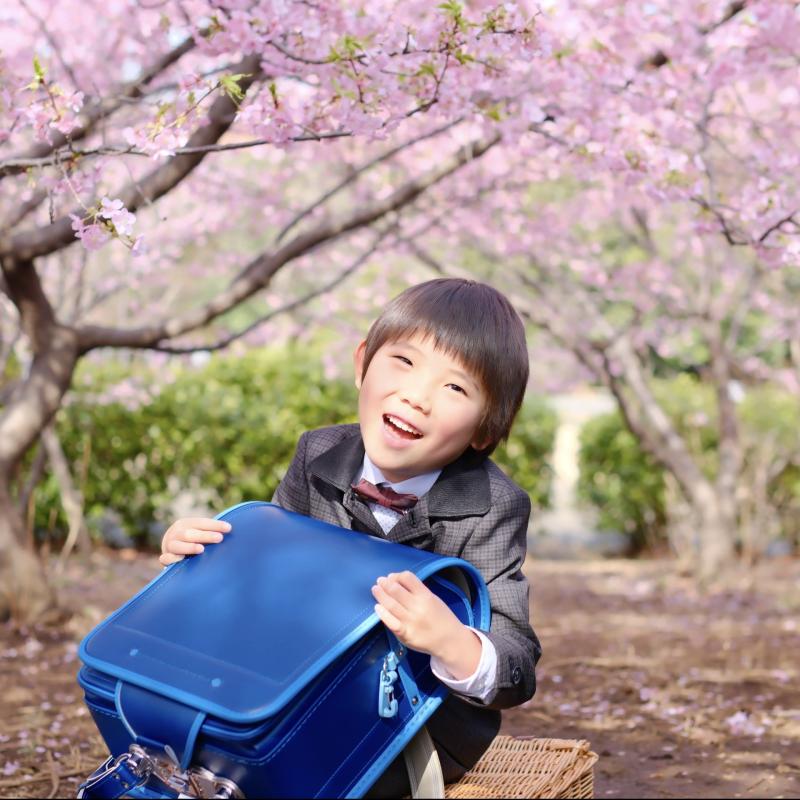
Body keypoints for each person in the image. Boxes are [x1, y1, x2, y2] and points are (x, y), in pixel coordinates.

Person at [160, 278, 542, 796]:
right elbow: (264, 570)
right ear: (363, 363)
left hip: (409, 726)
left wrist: (451, 641)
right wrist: (202, 559)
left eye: (455, 387)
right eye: (404, 362)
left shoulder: (492, 506)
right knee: (185, 735)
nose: (417, 396)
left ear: (484, 429)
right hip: (296, 689)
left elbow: (516, 664)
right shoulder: (317, 453)